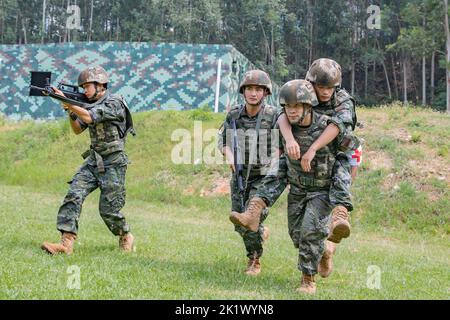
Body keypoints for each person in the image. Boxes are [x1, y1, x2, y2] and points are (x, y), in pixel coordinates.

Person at [254, 79, 342, 294]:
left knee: (310, 233)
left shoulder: (326, 125)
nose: (291, 111)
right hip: (298, 190)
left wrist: (342, 193)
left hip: (322, 191)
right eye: (288, 107)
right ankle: (325, 251)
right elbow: (277, 146)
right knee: (296, 235)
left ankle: (308, 280)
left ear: (307, 106)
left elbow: (350, 153)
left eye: (296, 106)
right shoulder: (286, 126)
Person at [41, 66, 135, 255]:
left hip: (114, 162)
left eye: (86, 86)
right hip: (94, 161)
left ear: (100, 85)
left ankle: (125, 236)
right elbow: (77, 128)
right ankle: (66, 244)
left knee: (108, 210)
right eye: (82, 87)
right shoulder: (86, 105)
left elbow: (90, 116)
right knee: (74, 194)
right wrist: (70, 110)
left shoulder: (114, 102)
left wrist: (65, 100)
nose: (84, 90)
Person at [218, 69, 293, 276]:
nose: (253, 93)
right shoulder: (234, 114)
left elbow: (284, 141)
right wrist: (229, 155)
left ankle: (254, 260)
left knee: (251, 217)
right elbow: (224, 140)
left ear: (265, 93)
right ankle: (260, 233)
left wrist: (276, 158)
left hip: (264, 177)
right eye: (250, 89)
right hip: (241, 175)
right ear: (243, 91)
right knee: (239, 222)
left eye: (258, 89)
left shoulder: (273, 115)